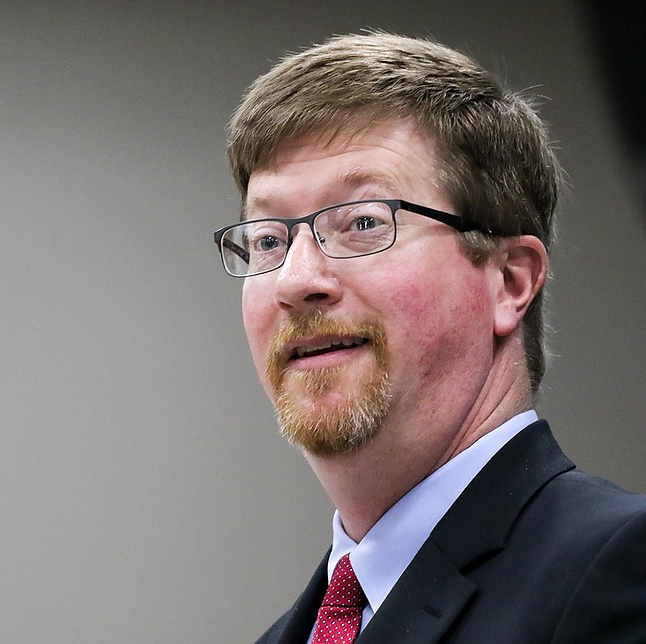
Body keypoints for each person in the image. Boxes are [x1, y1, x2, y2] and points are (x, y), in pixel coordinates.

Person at [213, 31, 646, 643]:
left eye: (363, 222)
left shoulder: (617, 569)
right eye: (267, 240)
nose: (296, 280)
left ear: (508, 280)